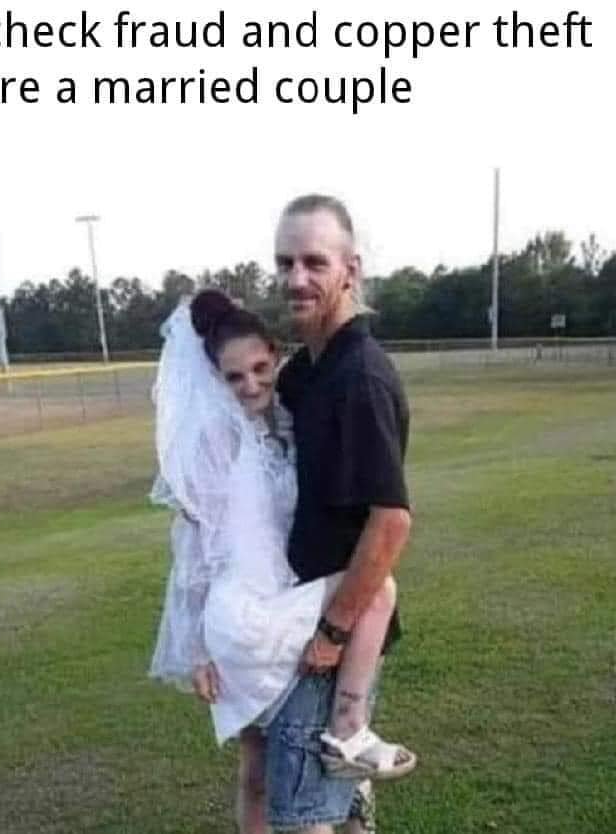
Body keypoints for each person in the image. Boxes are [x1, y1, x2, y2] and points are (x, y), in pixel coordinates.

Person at [149, 288, 414, 834]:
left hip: (272, 601)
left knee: (259, 764)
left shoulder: (286, 422)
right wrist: (196, 648)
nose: (250, 385)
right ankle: (350, 729)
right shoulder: (215, 445)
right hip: (246, 616)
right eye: (234, 377)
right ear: (214, 379)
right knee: (378, 590)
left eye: (259, 369)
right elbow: (192, 550)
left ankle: (349, 766)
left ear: (275, 356)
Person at [264, 194, 413, 833]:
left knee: (301, 814)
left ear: (351, 270)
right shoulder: (308, 371)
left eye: (314, 262)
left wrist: (332, 633)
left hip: (331, 627)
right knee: (341, 797)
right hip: (308, 609)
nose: (296, 278)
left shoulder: (359, 378)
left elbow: (391, 521)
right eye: (285, 262)